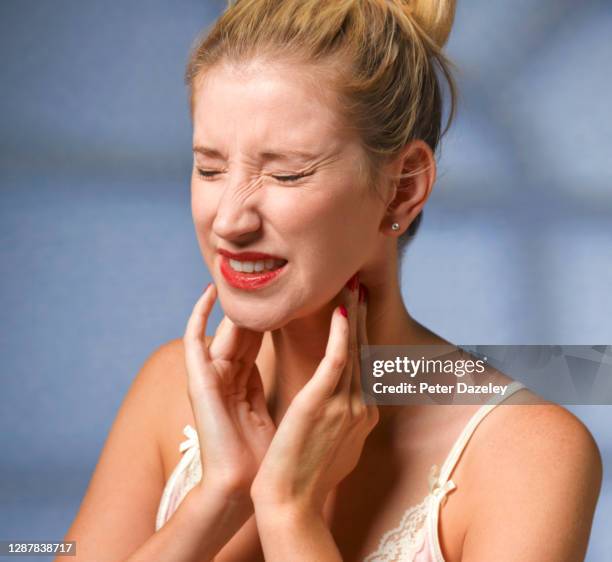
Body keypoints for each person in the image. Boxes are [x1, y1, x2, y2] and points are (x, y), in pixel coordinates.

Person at [60, 1, 603, 561]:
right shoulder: (169, 390)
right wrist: (215, 500)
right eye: (210, 168)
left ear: (403, 188)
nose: (228, 221)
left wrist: (289, 510)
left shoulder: (528, 453)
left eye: (286, 172)